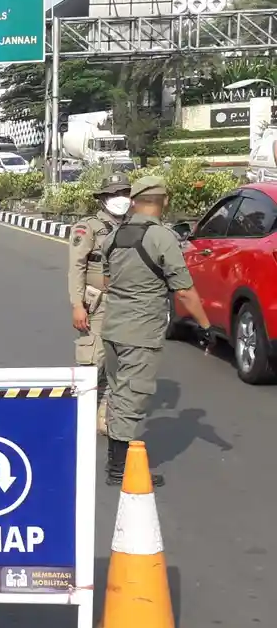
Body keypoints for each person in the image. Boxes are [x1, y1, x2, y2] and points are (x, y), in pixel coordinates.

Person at [101, 177, 212, 488]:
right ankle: (120, 469)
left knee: (118, 393)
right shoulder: (162, 237)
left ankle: (115, 461)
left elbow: (107, 282)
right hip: (141, 332)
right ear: (164, 201)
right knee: (132, 397)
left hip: (113, 328)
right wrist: (206, 326)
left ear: (134, 201)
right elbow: (184, 291)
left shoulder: (114, 235)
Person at [68, 173, 132, 435]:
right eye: (115, 194)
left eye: (124, 193)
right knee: (93, 360)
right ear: (104, 198)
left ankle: (104, 415)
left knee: (121, 362)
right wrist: (77, 304)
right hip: (97, 302)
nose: (121, 199)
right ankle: (81, 413)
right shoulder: (89, 227)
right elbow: (76, 267)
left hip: (126, 301)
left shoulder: (134, 226)